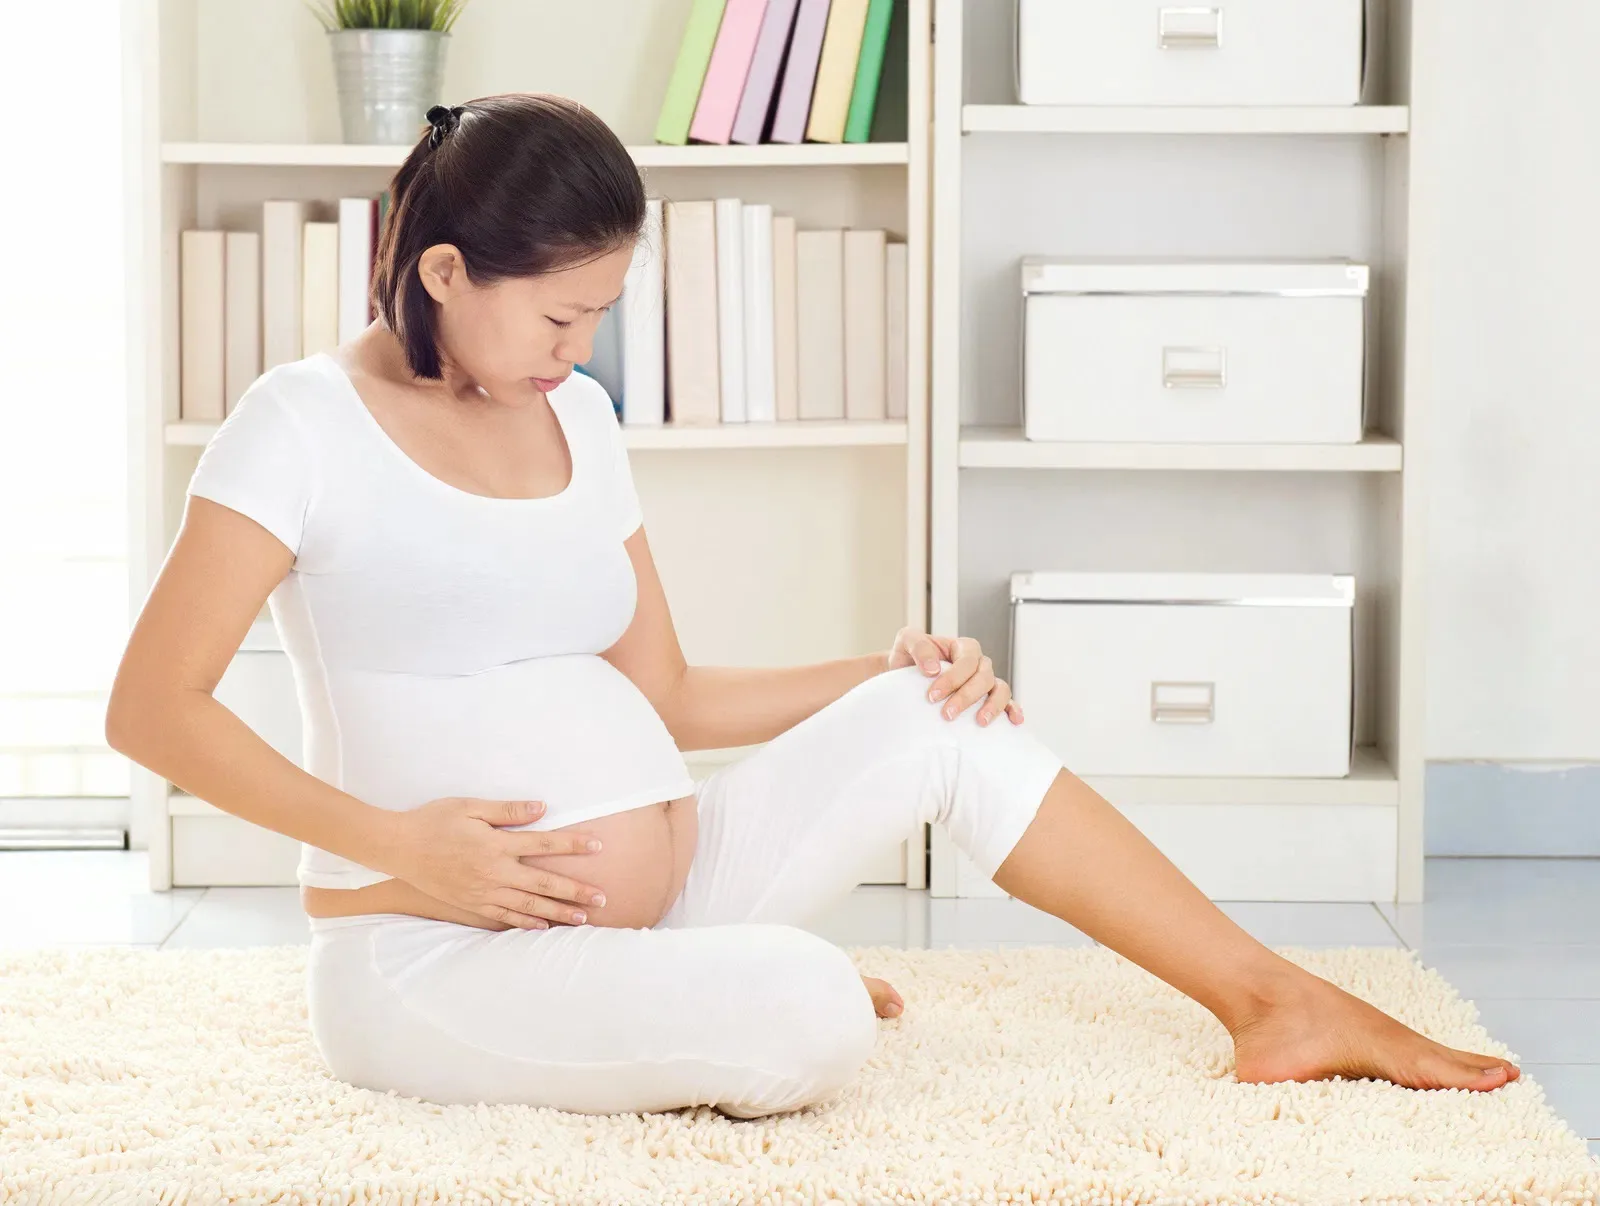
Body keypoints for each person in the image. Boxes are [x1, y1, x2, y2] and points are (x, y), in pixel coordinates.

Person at [106, 94, 1520, 1119]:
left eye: (600, 316)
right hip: (432, 955)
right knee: (810, 1010)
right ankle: (735, 984)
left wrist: (888, 670)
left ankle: (1275, 1000)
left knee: (937, 716)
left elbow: (669, 696)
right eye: (557, 317)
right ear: (442, 273)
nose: (579, 352)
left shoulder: (576, 420)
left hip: (657, 907)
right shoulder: (299, 425)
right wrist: (400, 843)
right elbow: (151, 710)